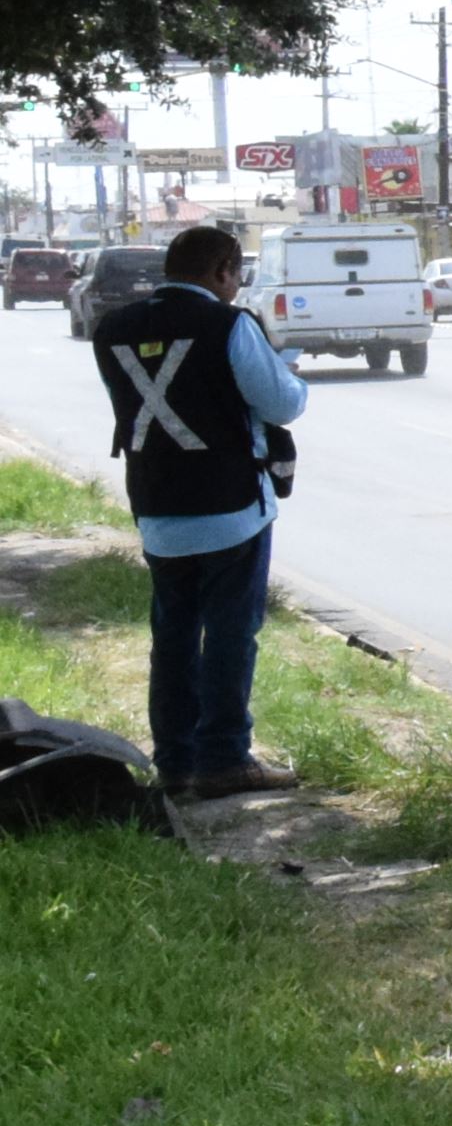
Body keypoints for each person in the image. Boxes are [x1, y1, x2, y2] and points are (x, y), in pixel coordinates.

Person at [94, 222, 309, 800]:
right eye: (235, 275)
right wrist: (289, 373)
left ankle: (176, 762)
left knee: (173, 635)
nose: (236, 287)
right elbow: (281, 404)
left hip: (158, 503)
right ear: (222, 271)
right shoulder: (230, 324)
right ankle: (223, 759)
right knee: (232, 634)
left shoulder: (113, 326)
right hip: (231, 504)